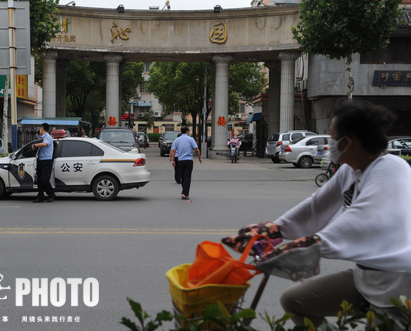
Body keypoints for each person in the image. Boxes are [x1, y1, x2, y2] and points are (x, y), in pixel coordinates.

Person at [224, 100, 411, 328]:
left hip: (399, 282)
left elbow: (365, 219)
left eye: (331, 137)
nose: (329, 143)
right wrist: (274, 230)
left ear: (346, 142)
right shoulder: (350, 170)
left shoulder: (391, 167)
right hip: (366, 276)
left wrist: (310, 243)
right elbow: (315, 206)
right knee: (294, 301)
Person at [169, 127, 202, 200]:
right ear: (187, 132)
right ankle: (185, 193)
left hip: (180, 161)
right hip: (189, 160)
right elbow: (196, 149)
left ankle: (184, 191)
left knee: (183, 176)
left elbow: (173, 150)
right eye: (189, 131)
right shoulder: (191, 139)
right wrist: (200, 157)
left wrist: (173, 160)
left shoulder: (177, 140)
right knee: (187, 177)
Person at [31, 123, 56, 203]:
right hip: (40, 160)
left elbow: (45, 144)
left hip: (46, 161)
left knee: (44, 179)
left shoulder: (48, 137)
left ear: (42, 129)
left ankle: (51, 194)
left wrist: (35, 145)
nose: (39, 130)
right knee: (39, 180)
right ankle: (40, 196)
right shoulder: (42, 138)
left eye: (40, 128)